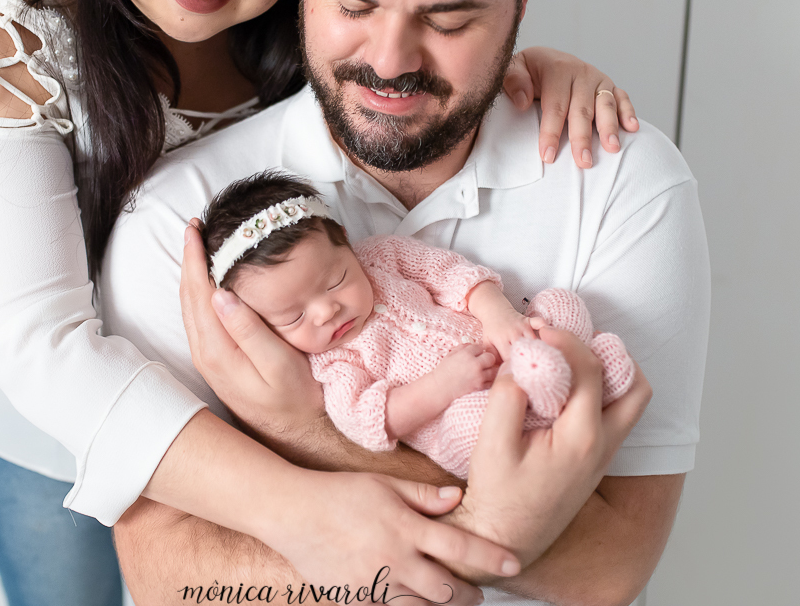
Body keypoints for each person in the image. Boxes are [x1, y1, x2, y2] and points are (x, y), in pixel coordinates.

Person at [0, 0, 638, 606]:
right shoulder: (6, 47)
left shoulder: (291, 12)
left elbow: (394, 52)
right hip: (37, 407)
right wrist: (297, 508)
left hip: (213, 373)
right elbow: (42, 349)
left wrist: (519, 71)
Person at [99, 0, 709, 606]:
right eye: (353, 2)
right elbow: (171, 588)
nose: (389, 62)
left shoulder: (624, 181)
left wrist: (303, 430)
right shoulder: (181, 222)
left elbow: (613, 566)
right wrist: (496, 534)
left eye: (448, 20)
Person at [198, 170, 635, 479]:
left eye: (336, 281)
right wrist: (443, 386)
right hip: (458, 413)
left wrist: (497, 314)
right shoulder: (331, 365)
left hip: (508, 344)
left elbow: (452, 274)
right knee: (474, 424)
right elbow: (370, 420)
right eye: (293, 317)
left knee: (559, 303)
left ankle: (569, 375)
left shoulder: (382, 256)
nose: (326, 312)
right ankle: (559, 402)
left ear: (345, 242)